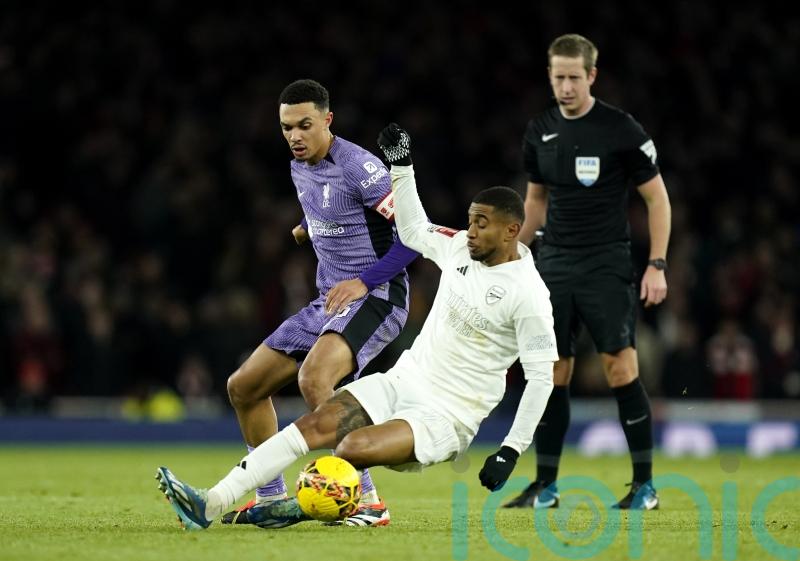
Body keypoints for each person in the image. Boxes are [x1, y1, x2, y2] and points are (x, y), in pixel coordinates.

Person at [155, 123, 558, 531]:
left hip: (446, 415)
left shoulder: (530, 296)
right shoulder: (458, 248)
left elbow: (542, 378)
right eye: (470, 222)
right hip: (402, 382)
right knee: (314, 424)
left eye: (481, 224)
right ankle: (210, 502)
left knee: (351, 447)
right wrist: (402, 165)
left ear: (511, 231)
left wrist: (511, 449)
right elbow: (413, 231)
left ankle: (337, 507)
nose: (470, 232)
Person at [221, 80, 418, 527]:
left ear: (328, 120)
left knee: (315, 379)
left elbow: (412, 236)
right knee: (244, 386)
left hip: (378, 296)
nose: (295, 136)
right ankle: (270, 497)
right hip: (327, 302)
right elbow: (333, 207)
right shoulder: (300, 166)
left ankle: (368, 500)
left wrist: (363, 281)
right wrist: (307, 226)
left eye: (305, 125)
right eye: (286, 127)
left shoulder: (362, 167)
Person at [502, 34, 671, 511]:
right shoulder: (540, 130)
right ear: (549, 76)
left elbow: (657, 198)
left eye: (574, 77)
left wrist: (657, 264)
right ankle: (545, 487)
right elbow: (536, 200)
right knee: (551, 371)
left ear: (592, 75)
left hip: (605, 264)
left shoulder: (621, 129)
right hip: (554, 263)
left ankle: (644, 487)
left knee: (621, 367)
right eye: (558, 77)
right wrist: (511, 254)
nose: (566, 87)